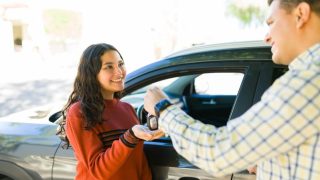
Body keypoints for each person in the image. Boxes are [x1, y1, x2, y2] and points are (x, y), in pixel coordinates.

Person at [144, 0, 320, 179]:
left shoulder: (306, 82)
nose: (267, 37)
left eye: (271, 23)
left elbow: (217, 154)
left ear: (301, 14)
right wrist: (269, 163)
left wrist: (163, 108)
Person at [64, 43, 161, 180]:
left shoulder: (127, 108)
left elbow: (139, 163)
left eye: (120, 64)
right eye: (109, 67)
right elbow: (98, 171)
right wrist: (130, 136)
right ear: (92, 74)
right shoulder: (79, 112)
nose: (119, 72)